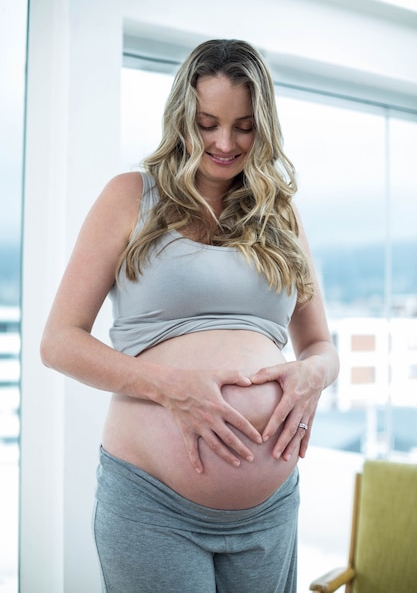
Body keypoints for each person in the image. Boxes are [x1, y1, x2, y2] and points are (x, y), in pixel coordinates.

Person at [40, 38, 339, 593]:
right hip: (154, 505)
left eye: (244, 126)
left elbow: (321, 344)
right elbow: (58, 341)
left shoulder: (281, 216)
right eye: (207, 123)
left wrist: (311, 377)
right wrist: (172, 388)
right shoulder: (132, 196)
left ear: (264, 126)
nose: (224, 143)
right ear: (182, 116)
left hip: (269, 511)